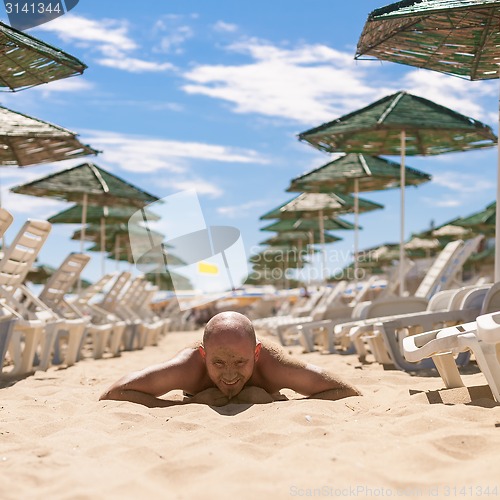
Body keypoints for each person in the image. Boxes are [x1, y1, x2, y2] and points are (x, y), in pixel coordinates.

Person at [100, 311, 361, 407]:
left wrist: (274, 403)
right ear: (203, 355)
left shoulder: (273, 365)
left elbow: (345, 390)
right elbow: (114, 393)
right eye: (218, 363)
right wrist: (184, 406)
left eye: (240, 362)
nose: (229, 375)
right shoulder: (189, 367)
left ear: (256, 354)